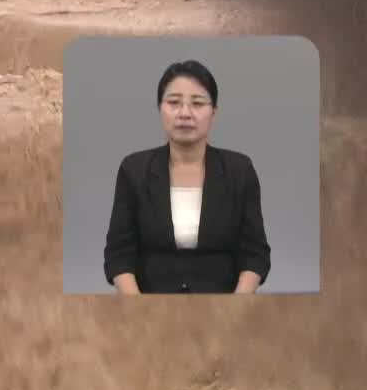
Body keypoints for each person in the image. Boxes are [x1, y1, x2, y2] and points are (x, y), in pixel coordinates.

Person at [103, 60, 270, 294]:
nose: (184, 113)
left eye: (198, 103)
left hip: (224, 306)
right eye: (173, 102)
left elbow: (254, 253)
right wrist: (138, 311)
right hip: (148, 306)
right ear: (159, 108)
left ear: (214, 112)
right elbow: (119, 254)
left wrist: (235, 308)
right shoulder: (134, 170)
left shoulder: (239, 170)